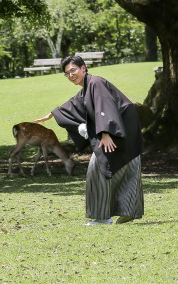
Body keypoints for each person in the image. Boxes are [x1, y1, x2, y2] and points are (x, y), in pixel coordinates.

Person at [35, 54, 144, 225]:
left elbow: (104, 105)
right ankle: (128, 210)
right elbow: (74, 105)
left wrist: (106, 133)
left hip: (117, 133)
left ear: (83, 68)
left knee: (97, 170)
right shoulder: (87, 87)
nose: (71, 76)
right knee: (128, 169)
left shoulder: (96, 83)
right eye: (67, 74)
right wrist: (53, 114)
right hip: (124, 132)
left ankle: (102, 217)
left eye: (73, 71)